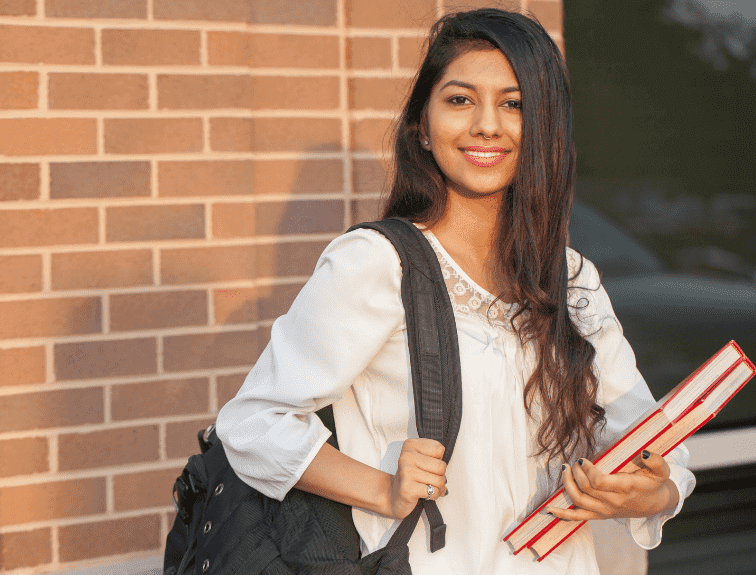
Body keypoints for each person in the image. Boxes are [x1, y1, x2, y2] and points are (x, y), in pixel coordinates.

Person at [215, 8, 695, 574]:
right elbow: (252, 423)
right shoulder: (379, 264)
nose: (487, 125)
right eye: (461, 100)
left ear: (544, 127)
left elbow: (649, 435)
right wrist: (381, 490)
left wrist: (652, 492)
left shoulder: (569, 279)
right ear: (423, 123)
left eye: (513, 104)